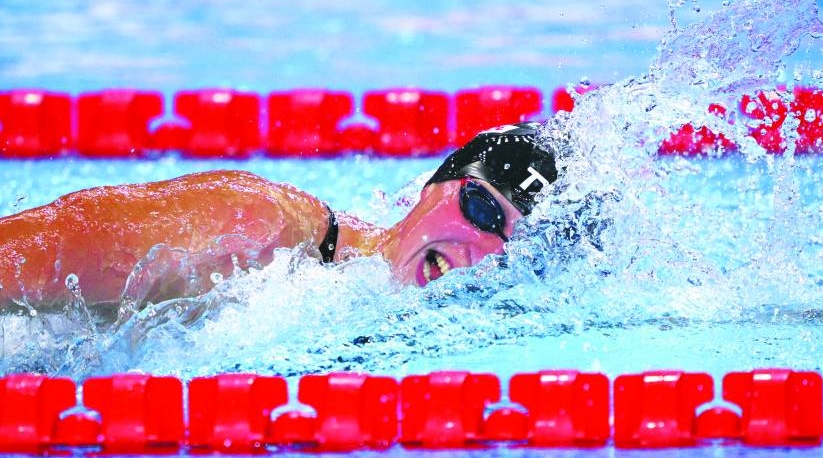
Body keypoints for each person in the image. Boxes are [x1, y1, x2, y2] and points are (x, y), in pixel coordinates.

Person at [0, 123, 558, 310]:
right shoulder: (255, 227)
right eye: (481, 208)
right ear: (433, 187)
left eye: (515, 246)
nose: (481, 251)